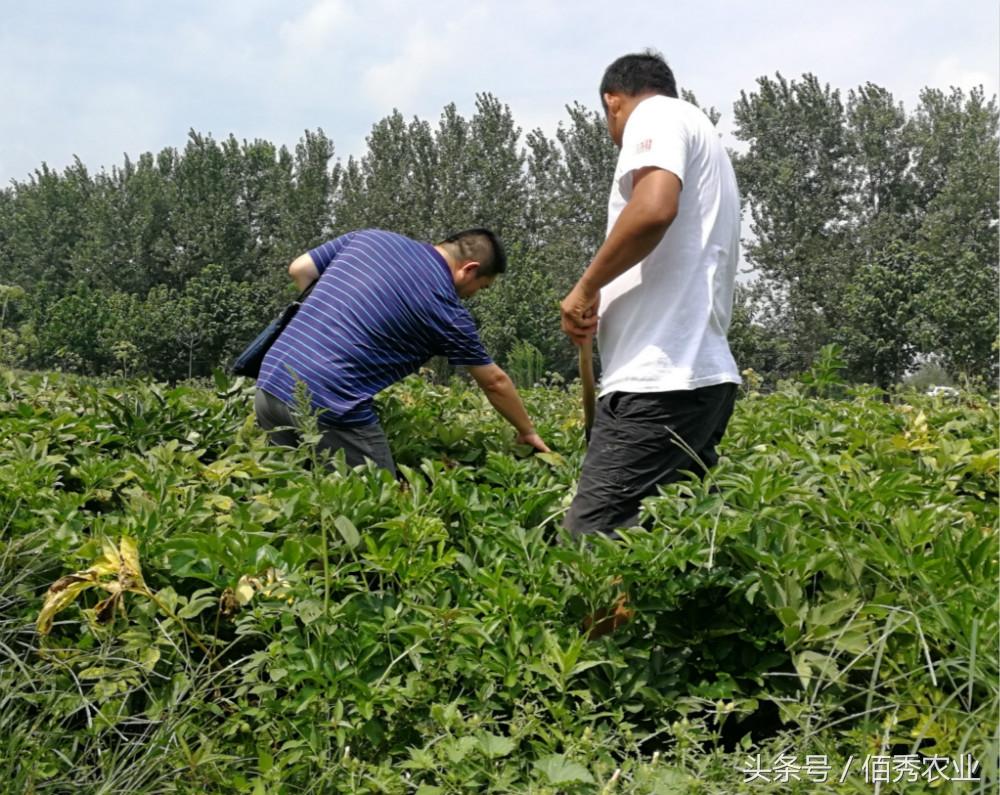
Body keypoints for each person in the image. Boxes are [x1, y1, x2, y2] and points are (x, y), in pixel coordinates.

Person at [560, 51, 741, 537]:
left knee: (590, 543)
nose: (612, 132)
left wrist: (586, 286)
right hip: (694, 380)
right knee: (668, 541)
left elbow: (654, 208)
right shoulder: (700, 134)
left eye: (607, 119)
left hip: (659, 382)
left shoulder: (656, 115)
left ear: (613, 102)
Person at [255, 227, 550, 474]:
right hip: (331, 402)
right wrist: (528, 431)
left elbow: (299, 269)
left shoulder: (371, 238)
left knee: (290, 490)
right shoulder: (448, 312)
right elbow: (494, 382)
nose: (474, 295)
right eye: (481, 287)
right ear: (469, 269)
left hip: (271, 381)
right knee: (374, 507)